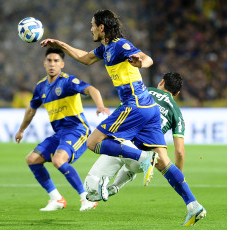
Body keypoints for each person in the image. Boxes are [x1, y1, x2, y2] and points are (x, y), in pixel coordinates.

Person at [41, 9, 165, 186]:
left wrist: (141, 63)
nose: (90, 29)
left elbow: (148, 58)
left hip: (134, 104)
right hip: (138, 105)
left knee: (93, 142)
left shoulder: (120, 45)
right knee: (101, 142)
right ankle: (191, 203)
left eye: (92, 26)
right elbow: (85, 57)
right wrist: (59, 44)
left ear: (101, 27)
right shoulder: (105, 49)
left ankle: (143, 157)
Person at [84, 72, 207, 226]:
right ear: (177, 93)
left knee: (90, 186)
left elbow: (123, 110)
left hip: (128, 148)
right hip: (146, 162)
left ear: (161, 82)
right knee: (139, 167)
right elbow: (180, 152)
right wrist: (178, 178)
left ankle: (103, 184)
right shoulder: (176, 112)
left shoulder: (145, 92)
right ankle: (193, 205)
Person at [15, 47, 110, 212]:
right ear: (44, 63)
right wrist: (21, 130)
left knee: (59, 160)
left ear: (62, 64)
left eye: (56, 61)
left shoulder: (68, 81)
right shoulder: (40, 87)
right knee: (32, 159)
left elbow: (91, 89)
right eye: (50, 61)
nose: (52, 64)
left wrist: (100, 105)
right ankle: (56, 199)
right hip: (60, 133)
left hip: (77, 130)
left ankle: (86, 198)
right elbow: (31, 110)